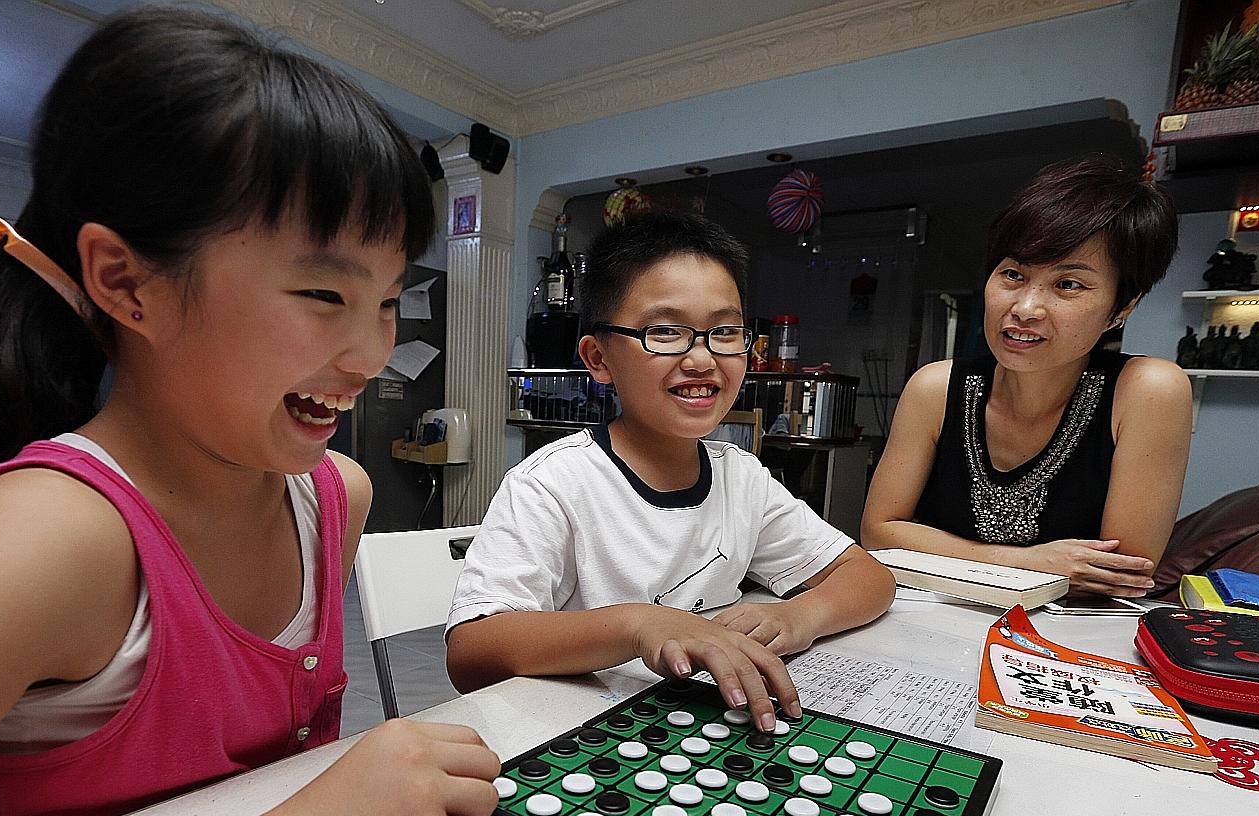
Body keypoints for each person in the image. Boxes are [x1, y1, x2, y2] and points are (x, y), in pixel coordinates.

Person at [0, 10, 499, 816]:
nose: (371, 354)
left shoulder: (336, 496)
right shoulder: (49, 538)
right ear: (128, 283)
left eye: (387, 300)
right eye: (321, 294)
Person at [445, 212, 896, 729]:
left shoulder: (740, 479)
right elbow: (471, 651)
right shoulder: (554, 484)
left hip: (702, 725)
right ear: (599, 358)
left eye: (725, 332)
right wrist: (640, 625)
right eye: (665, 331)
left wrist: (800, 616)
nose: (702, 358)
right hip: (578, 733)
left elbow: (869, 578)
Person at [861, 156, 1190, 597]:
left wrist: (938, 548)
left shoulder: (1147, 391)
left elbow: (1115, 574)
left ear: (1122, 308)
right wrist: (1027, 562)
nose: (1025, 308)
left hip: (1061, 641)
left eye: (1068, 285)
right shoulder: (935, 389)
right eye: (1013, 274)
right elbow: (879, 533)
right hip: (927, 618)